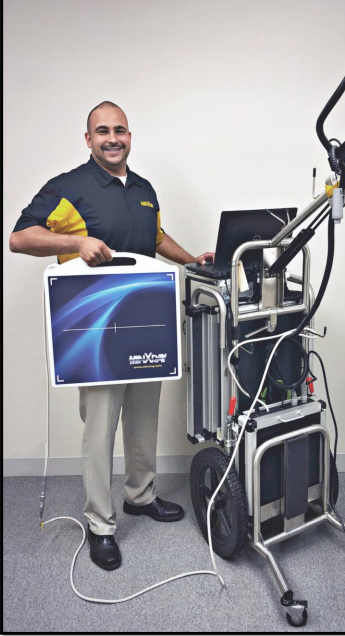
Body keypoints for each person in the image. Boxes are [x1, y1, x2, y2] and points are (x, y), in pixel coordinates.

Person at [9, 101, 214, 571]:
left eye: (120, 130)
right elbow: (19, 237)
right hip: (97, 329)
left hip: (146, 321)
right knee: (100, 426)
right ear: (88, 140)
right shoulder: (68, 187)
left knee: (144, 417)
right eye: (102, 131)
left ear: (130, 136)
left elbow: (155, 238)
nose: (112, 138)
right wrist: (75, 242)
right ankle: (100, 525)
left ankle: (140, 496)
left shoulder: (143, 189)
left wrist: (192, 261)